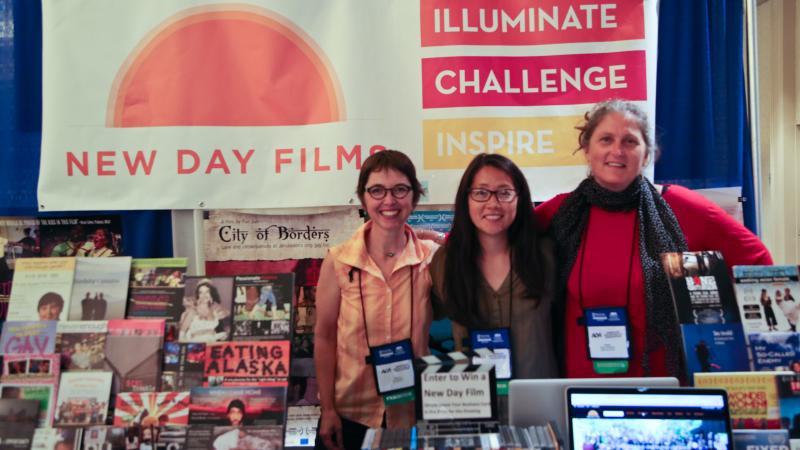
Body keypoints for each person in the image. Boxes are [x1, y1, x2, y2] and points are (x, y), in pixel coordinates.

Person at [536, 99, 773, 378]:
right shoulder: (558, 213)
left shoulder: (682, 208)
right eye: (606, 139)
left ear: (647, 154)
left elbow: (758, 263)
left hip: (662, 387)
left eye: (630, 141)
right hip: (580, 387)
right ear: (587, 149)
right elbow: (501, 247)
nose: (617, 150)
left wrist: (737, 336)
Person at [314, 150, 435, 450]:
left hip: (411, 411)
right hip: (350, 413)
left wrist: (444, 238)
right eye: (377, 190)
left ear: (414, 196)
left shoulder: (431, 258)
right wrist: (327, 409)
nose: (389, 201)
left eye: (400, 190)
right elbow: (325, 336)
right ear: (363, 197)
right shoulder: (339, 261)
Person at [429, 153, 557, 379]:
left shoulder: (547, 255)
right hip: (473, 404)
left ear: (519, 198)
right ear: (466, 199)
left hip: (539, 402)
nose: (493, 203)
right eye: (481, 193)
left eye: (504, 193)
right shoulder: (445, 262)